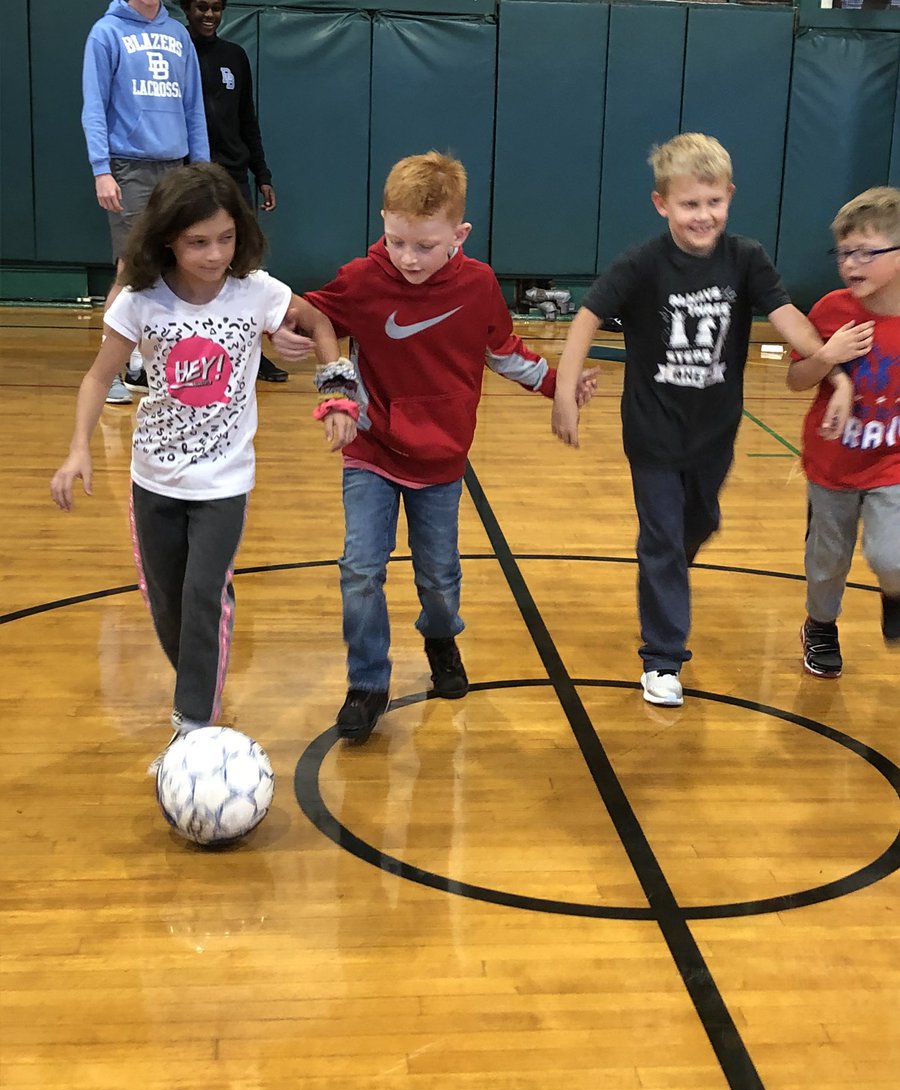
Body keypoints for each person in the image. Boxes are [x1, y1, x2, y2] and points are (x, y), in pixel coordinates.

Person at [273, 150, 597, 743]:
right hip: (371, 453)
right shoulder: (363, 279)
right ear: (383, 223)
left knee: (439, 581)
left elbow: (505, 353)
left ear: (459, 234)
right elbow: (305, 319)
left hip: (442, 463)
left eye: (424, 245)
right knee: (360, 570)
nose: (408, 257)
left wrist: (559, 386)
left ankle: (441, 637)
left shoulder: (477, 287)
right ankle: (367, 683)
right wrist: (280, 337)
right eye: (396, 241)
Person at [50, 163, 340, 770]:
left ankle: (192, 727)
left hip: (224, 483)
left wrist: (333, 386)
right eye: (197, 242)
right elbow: (98, 377)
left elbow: (319, 323)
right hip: (152, 478)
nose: (214, 255)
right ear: (167, 241)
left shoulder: (256, 291)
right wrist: (79, 447)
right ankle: (199, 686)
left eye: (226, 238)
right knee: (166, 605)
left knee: (205, 594)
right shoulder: (140, 301)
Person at [553, 132, 856, 707]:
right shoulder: (642, 264)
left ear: (730, 196)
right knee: (662, 540)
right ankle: (663, 657)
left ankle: (662, 574)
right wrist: (565, 390)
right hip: (653, 430)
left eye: (713, 202)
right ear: (662, 203)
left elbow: (787, 316)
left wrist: (831, 367)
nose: (703, 216)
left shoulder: (745, 258)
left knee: (698, 522)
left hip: (715, 430)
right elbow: (589, 316)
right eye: (689, 204)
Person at [787, 186, 899, 678]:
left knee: (891, 553)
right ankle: (820, 624)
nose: (851, 263)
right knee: (828, 562)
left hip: (890, 463)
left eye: (866, 253)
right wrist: (829, 359)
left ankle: (894, 595)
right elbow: (796, 379)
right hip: (831, 466)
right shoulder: (832, 311)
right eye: (844, 253)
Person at [82, 0, 209, 404]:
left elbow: (194, 108)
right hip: (128, 166)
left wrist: (202, 169)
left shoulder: (178, 34)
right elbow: (94, 108)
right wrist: (102, 169)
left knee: (170, 267)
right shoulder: (106, 32)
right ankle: (110, 372)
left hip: (175, 165)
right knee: (131, 266)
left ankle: (146, 364)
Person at [178, 0, 288, 383]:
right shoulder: (176, 51)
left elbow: (247, 119)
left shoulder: (234, 57)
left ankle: (253, 353)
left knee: (244, 263)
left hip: (234, 174)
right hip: (190, 176)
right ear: (185, 8)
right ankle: (193, 350)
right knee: (191, 265)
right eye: (200, 7)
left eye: (216, 8)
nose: (208, 15)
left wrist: (262, 173)